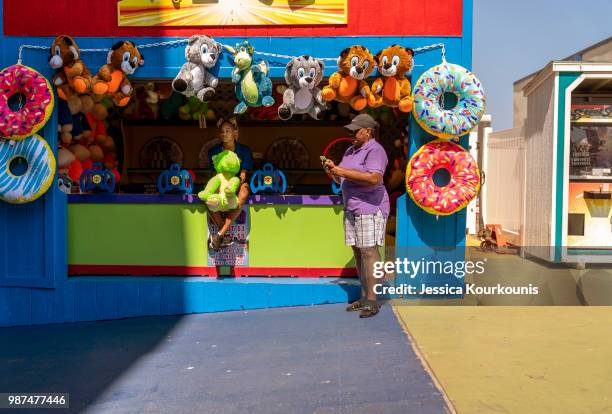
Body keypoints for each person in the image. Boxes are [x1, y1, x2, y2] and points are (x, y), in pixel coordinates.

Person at [324, 114, 389, 318]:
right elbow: (343, 175)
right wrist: (333, 170)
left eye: (355, 130)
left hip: (370, 207)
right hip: (352, 207)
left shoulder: (375, 150)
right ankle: (364, 297)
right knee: (359, 253)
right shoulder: (352, 150)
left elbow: (374, 178)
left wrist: (341, 171)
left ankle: (372, 300)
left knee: (369, 251)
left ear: (368, 131)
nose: (350, 133)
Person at [207, 117, 254, 250]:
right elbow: (215, 174)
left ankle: (220, 234)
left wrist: (232, 186)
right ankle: (223, 234)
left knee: (244, 191)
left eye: (228, 130)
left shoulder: (244, 150)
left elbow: (243, 175)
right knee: (209, 198)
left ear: (235, 132)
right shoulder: (213, 151)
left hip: (237, 183)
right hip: (221, 183)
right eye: (222, 131)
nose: (224, 134)